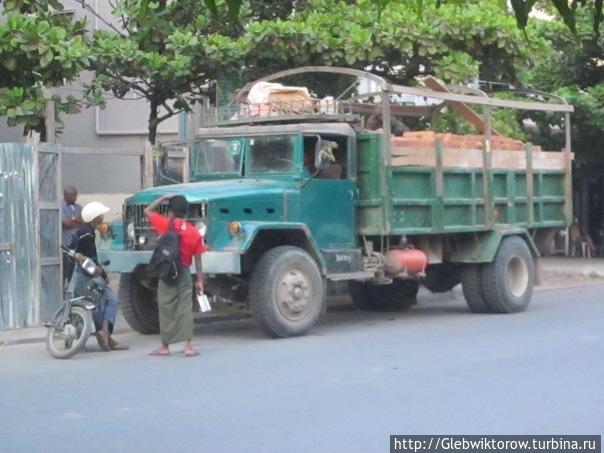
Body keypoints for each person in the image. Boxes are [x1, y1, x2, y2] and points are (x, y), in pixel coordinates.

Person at [144, 194, 205, 357]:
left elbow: (147, 210)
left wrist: (163, 198)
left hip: (167, 272)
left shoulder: (165, 225)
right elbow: (198, 259)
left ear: (170, 212)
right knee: (185, 309)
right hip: (184, 271)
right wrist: (199, 280)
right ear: (186, 213)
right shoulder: (194, 233)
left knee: (165, 308)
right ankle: (188, 347)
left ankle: (165, 347)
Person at [70, 201, 128, 352]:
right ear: (95, 218)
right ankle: (105, 333)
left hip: (80, 276)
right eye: (100, 216)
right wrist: (103, 273)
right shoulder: (87, 235)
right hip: (88, 277)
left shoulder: (83, 231)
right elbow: (91, 260)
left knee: (101, 303)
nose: (102, 218)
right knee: (111, 299)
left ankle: (105, 335)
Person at [61, 186, 83, 285]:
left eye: (75, 195)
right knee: (66, 268)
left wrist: (74, 220)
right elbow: (66, 224)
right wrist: (77, 220)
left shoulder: (79, 207)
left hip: (79, 243)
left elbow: (84, 222)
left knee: (77, 268)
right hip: (67, 243)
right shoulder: (60, 206)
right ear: (65, 195)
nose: (74, 197)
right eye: (71, 195)